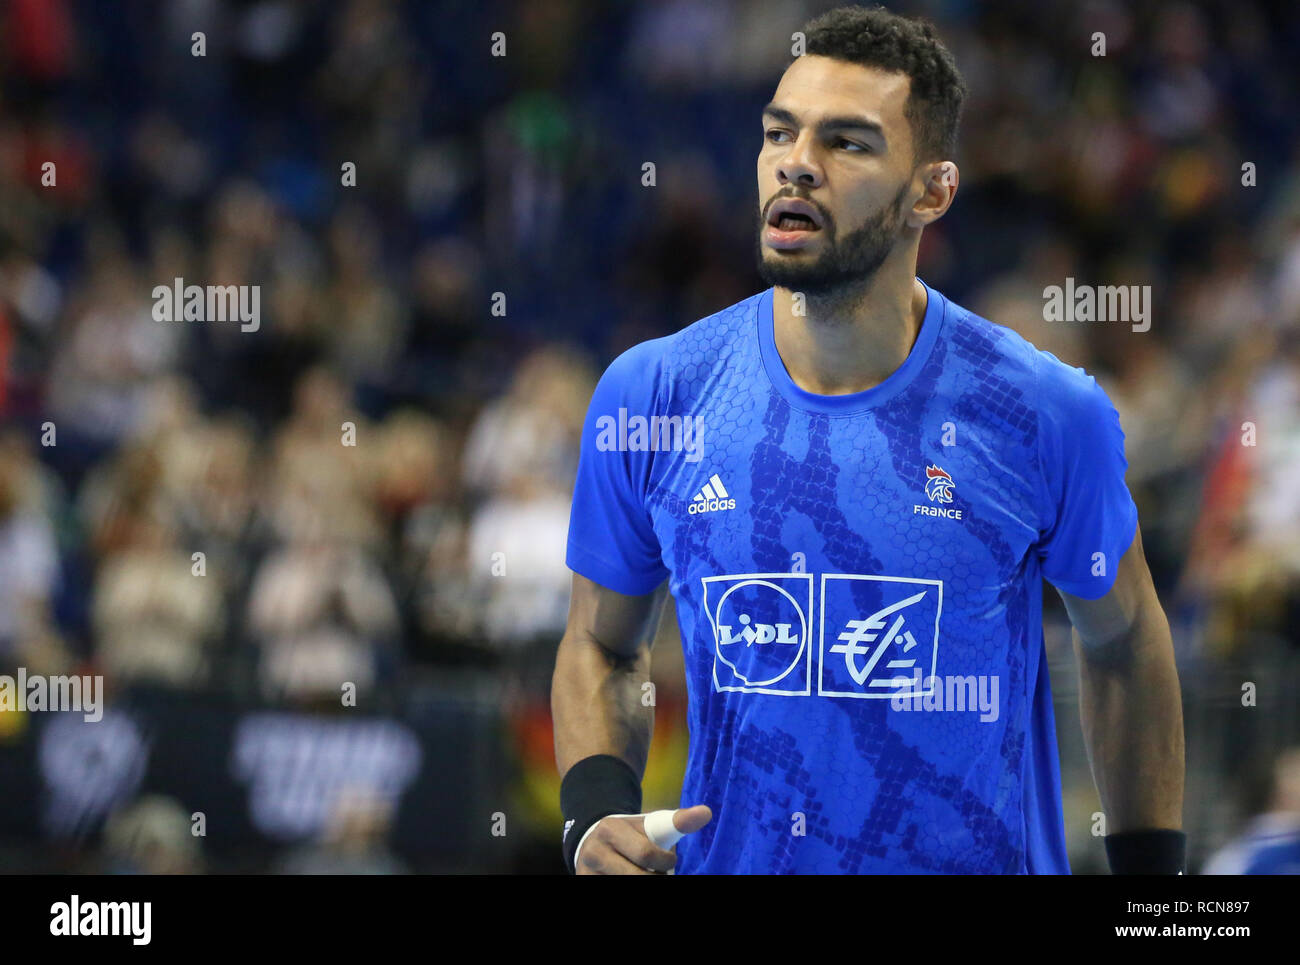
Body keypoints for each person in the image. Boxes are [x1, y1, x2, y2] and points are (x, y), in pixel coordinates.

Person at [552, 5, 1184, 874]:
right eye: (781, 133)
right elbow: (599, 639)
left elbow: (1123, 636)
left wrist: (1153, 891)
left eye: (847, 143)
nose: (796, 165)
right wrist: (591, 815)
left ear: (932, 190)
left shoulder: (1042, 410)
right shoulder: (655, 392)